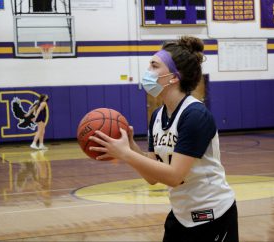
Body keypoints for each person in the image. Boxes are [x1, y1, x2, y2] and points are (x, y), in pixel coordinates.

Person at [89, 36, 239, 242]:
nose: (147, 70)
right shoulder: (158, 116)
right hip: (181, 215)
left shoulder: (195, 115)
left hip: (212, 216)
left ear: (173, 77)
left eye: (154, 65)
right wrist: (131, 147)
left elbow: (174, 176)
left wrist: (124, 154)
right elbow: (152, 176)